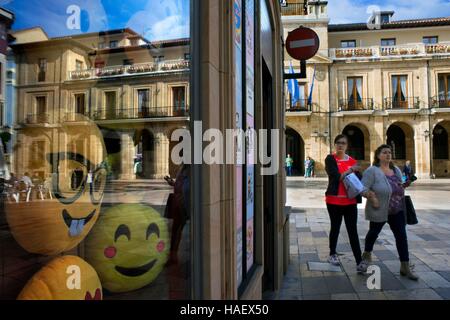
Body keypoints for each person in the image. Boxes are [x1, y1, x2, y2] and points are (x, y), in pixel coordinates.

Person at [360, 144, 418, 280]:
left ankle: (405, 266)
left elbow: (398, 185)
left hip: (397, 209)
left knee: (401, 237)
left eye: (389, 152)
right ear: (378, 155)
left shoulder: (395, 169)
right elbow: (362, 188)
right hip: (379, 208)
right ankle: (367, 254)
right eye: (385, 152)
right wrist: (371, 196)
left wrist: (404, 185)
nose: (388, 155)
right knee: (373, 233)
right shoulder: (372, 171)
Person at [325, 134, 367, 272]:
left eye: (343, 143)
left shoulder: (352, 161)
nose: (340, 145)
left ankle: (359, 261)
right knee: (335, 227)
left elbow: (359, 180)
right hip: (334, 201)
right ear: (334, 144)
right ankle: (332, 254)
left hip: (350, 201)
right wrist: (351, 170)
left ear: (347, 145)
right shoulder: (330, 159)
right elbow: (336, 177)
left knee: (352, 231)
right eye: (338, 143)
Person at [164, 164, 190, 264]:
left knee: (178, 230)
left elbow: (188, 186)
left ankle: (173, 256)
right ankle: (172, 256)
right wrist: (172, 183)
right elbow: (180, 185)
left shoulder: (192, 169)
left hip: (185, 203)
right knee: (175, 231)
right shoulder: (182, 168)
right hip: (178, 203)